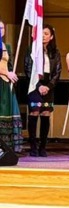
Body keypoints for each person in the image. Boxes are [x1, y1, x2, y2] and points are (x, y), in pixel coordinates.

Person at [25, 24, 62, 157]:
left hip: (48, 86)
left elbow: (57, 72)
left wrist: (49, 86)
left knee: (46, 113)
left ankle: (43, 147)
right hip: (35, 85)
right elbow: (28, 69)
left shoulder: (55, 53)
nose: (43, 36)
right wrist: (39, 85)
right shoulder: (32, 49)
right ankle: (33, 146)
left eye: (46, 34)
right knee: (34, 112)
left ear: (51, 37)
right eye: (41, 33)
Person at [0, 20, 23, 153]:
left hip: (6, 83)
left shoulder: (6, 46)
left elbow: (10, 66)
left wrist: (11, 74)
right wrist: (6, 73)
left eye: (2, 28)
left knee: (8, 112)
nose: (0, 30)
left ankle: (7, 147)